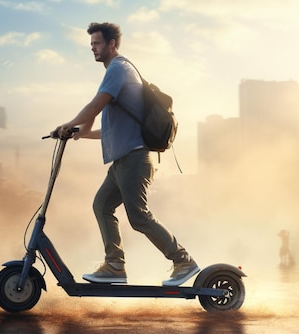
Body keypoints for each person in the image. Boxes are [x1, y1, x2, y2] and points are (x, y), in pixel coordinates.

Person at [52, 22, 198, 286]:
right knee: (102, 205)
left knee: (139, 216)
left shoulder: (119, 68)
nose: (93, 48)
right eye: (91, 44)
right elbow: (105, 128)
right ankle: (115, 266)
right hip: (122, 161)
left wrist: (68, 124)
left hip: (134, 158)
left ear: (112, 44)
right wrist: (78, 132)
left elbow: (95, 106)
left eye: (97, 43)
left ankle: (183, 260)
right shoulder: (114, 74)